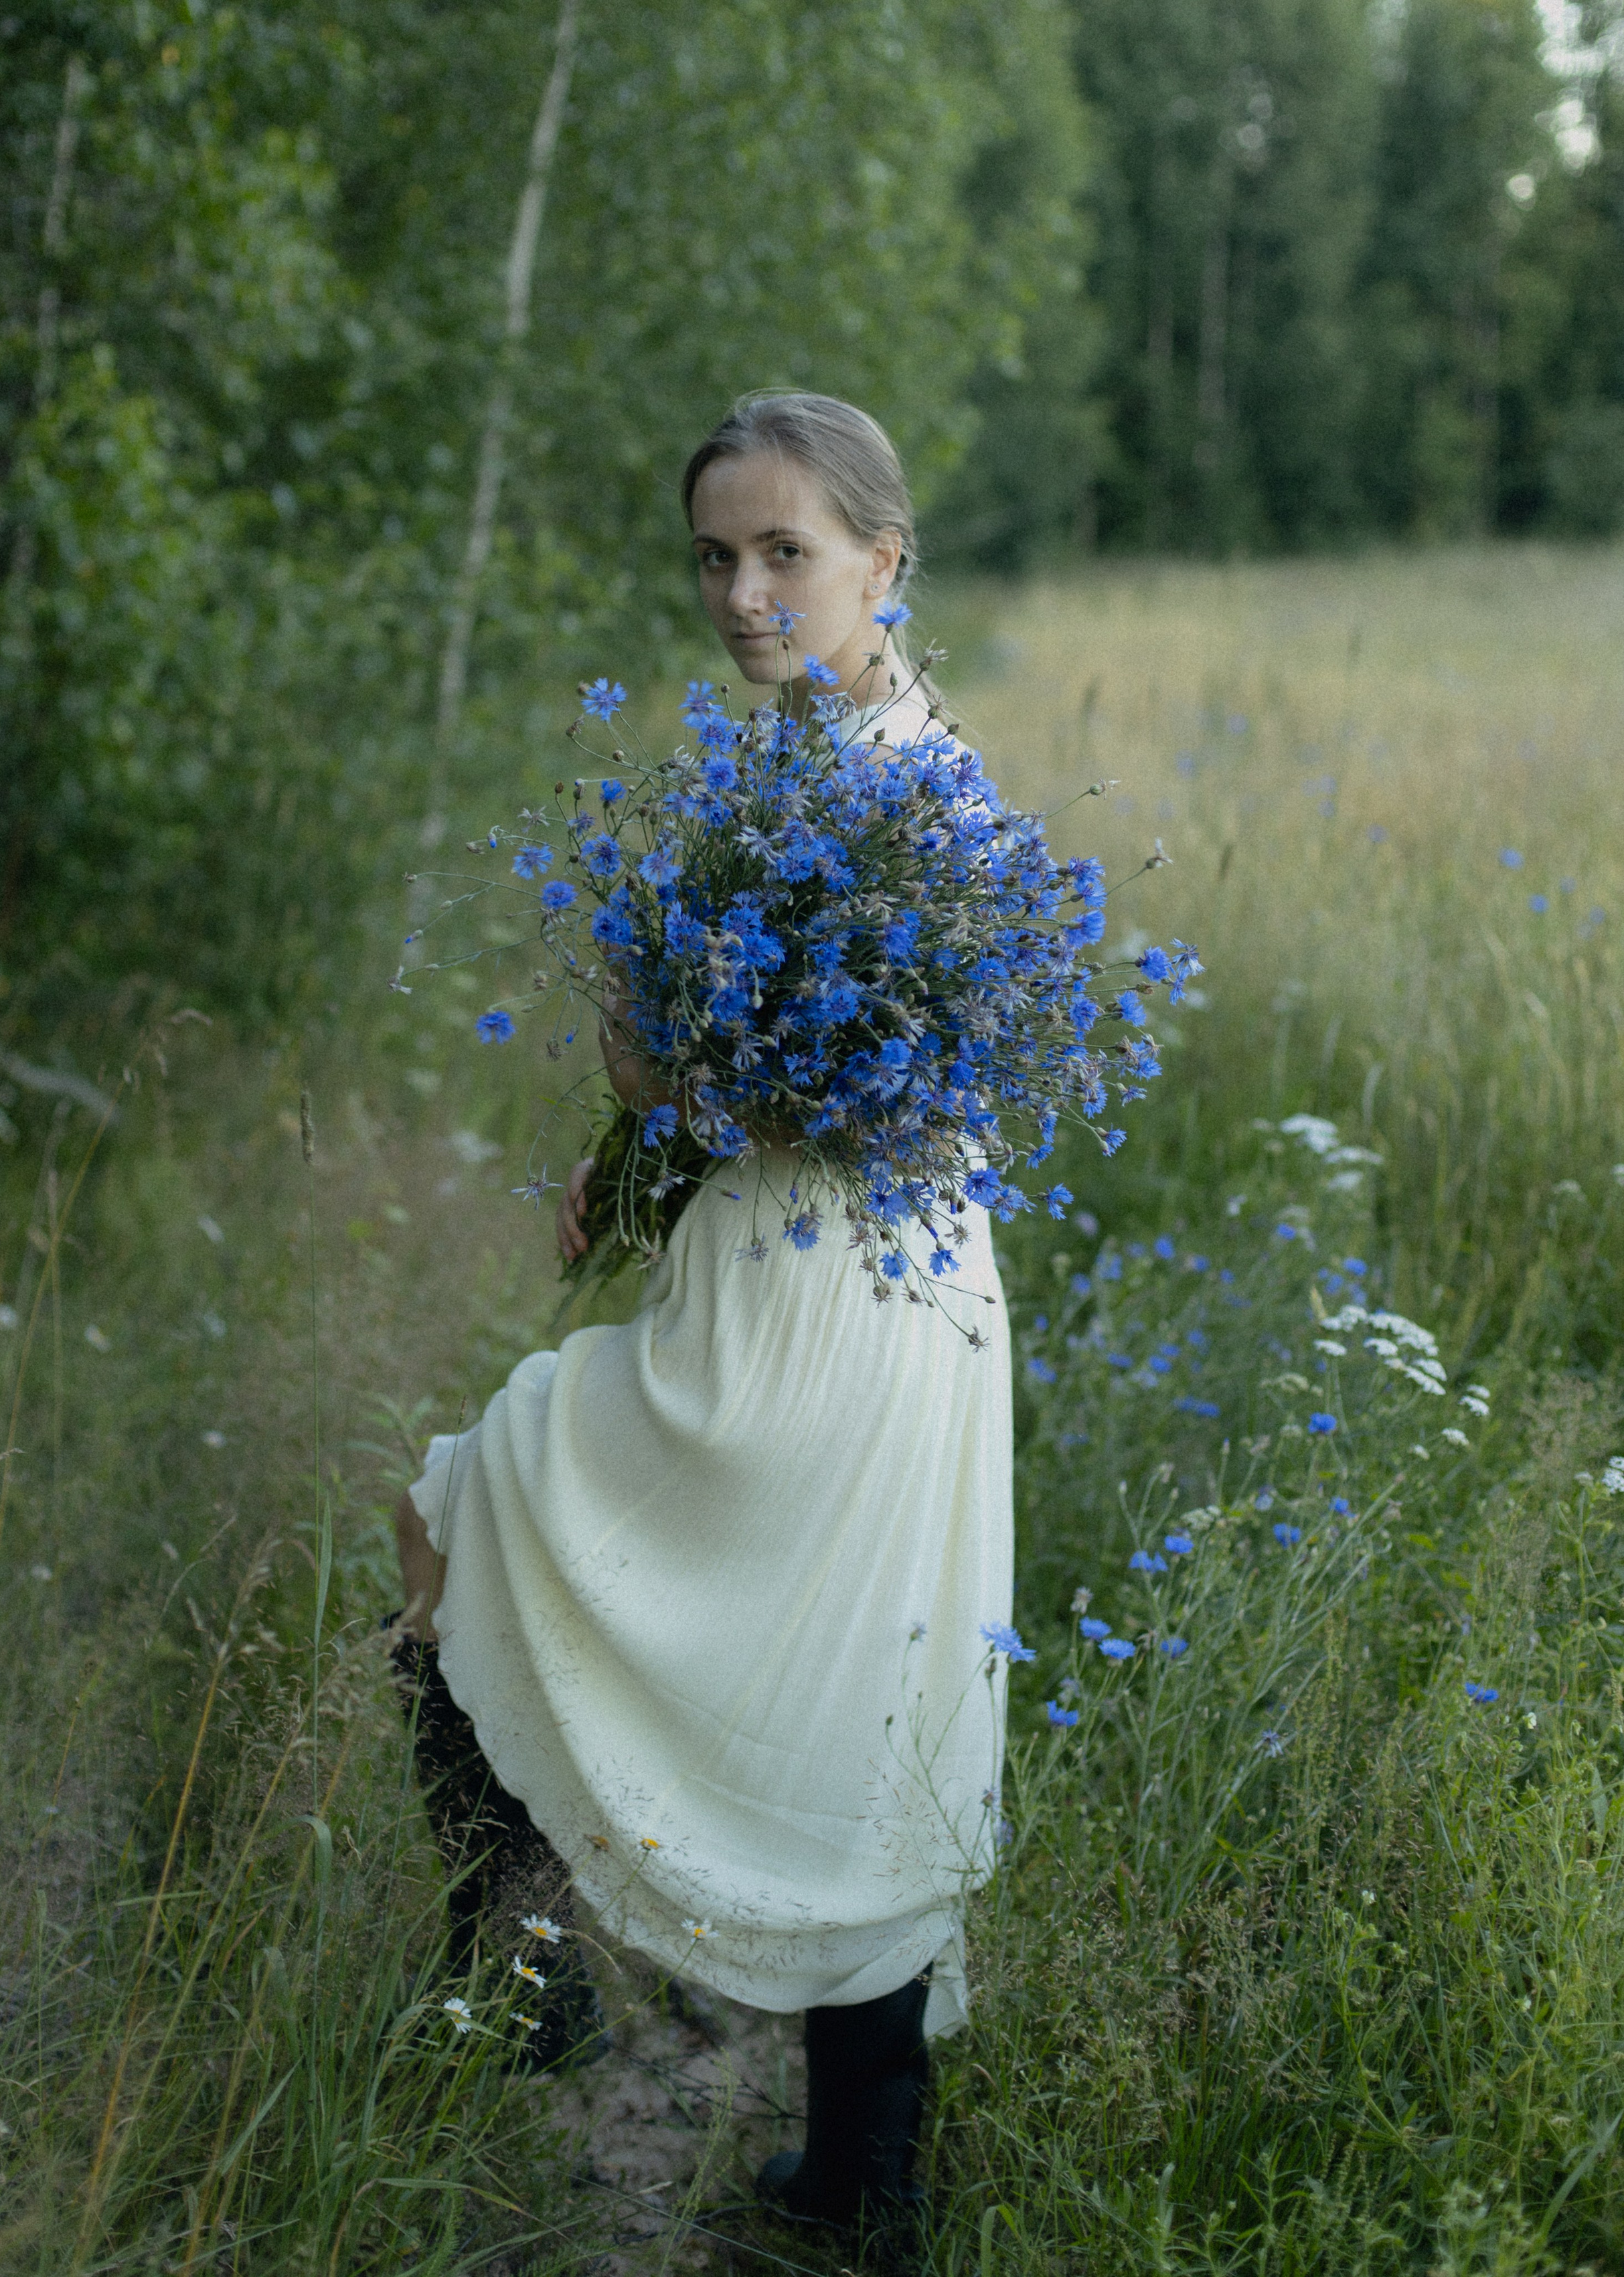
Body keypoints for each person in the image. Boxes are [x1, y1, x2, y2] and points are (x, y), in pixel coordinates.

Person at [389, 392, 1014, 2228]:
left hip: (836, 1310)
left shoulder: (918, 797)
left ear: (884, 558)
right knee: (840, 1698)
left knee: (463, 1514)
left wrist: (661, 1078)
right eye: (717, 559)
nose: (745, 593)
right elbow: (729, 1063)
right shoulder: (815, 764)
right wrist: (633, 1140)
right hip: (825, 1288)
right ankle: (827, 2169)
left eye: (785, 553)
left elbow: (870, 1093)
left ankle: (531, 2002)